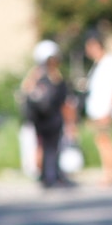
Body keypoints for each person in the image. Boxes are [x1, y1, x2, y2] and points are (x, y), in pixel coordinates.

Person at [22, 39, 71, 189]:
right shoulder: (52, 77)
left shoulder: (40, 76)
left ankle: (49, 174)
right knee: (48, 148)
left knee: (47, 147)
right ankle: (49, 175)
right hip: (47, 119)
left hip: (45, 120)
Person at [84, 33, 112, 185]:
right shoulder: (98, 64)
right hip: (97, 110)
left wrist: (109, 109)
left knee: (105, 142)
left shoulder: (111, 62)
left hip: (105, 110)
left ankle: (110, 174)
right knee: (101, 141)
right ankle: (108, 172)